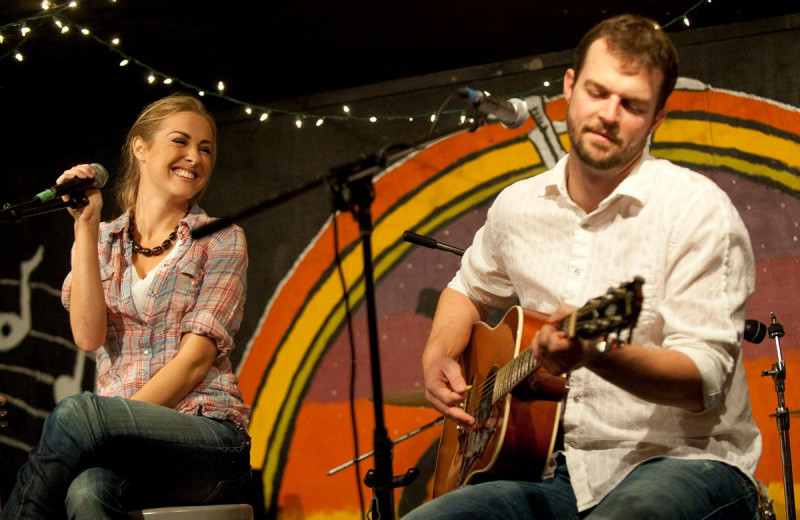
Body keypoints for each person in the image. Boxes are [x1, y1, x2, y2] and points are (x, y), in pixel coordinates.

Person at [404, 14, 762, 520]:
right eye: (597, 92)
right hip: (553, 474)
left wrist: (597, 354)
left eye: (632, 104)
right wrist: (438, 351)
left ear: (657, 117)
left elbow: (700, 380)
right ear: (570, 87)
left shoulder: (698, 213)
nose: (608, 114)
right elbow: (467, 288)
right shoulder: (518, 206)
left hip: (687, 462)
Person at [0, 93, 252, 519]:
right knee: (86, 492)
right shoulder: (102, 240)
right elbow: (87, 335)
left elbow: (193, 363)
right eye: (181, 141)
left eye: (205, 149)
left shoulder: (222, 238)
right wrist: (85, 227)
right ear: (141, 148)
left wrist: (108, 422)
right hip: (122, 445)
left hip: (207, 437)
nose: (194, 157)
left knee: (81, 413)